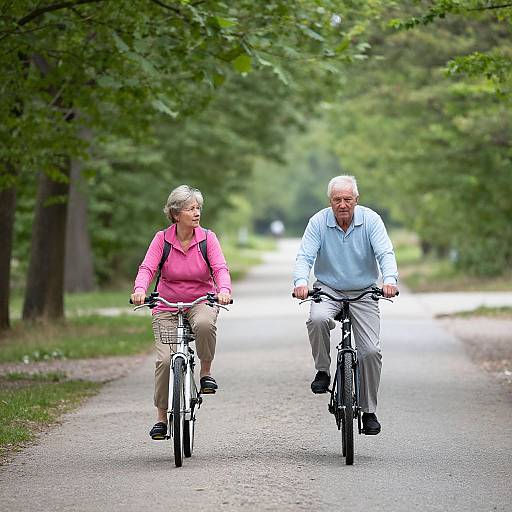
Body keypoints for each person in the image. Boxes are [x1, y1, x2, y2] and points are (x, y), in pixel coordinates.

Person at [293, 175, 398, 435]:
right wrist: (300, 282)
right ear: (330, 201)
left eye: (347, 199)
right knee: (317, 319)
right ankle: (322, 371)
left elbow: (385, 253)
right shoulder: (318, 221)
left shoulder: (371, 220)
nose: (342, 205)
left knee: (371, 352)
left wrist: (390, 280)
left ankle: (369, 410)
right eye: (337, 200)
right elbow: (305, 255)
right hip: (328, 288)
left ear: (356, 200)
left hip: (364, 291)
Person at [131, 185, 232, 440]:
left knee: (205, 325)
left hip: (200, 299)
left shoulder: (208, 238)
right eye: (190, 208)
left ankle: (206, 373)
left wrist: (224, 290)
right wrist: (140, 289)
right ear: (176, 214)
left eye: (198, 208)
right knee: (165, 361)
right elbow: (147, 268)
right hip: (166, 303)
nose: (196, 213)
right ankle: (161, 419)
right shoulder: (161, 239)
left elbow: (220, 268)